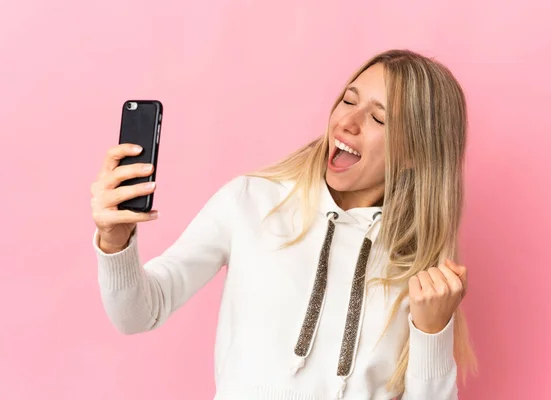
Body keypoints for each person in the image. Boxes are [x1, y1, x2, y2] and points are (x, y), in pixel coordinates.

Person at [90, 49, 477, 399]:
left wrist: (432, 335)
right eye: (348, 100)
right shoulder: (250, 201)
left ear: (416, 153)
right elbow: (137, 313)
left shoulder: (421, 273)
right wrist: (115, 241)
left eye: (378, 118)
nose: (348, 122)